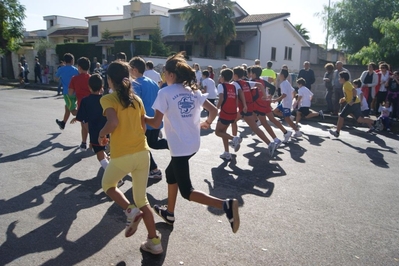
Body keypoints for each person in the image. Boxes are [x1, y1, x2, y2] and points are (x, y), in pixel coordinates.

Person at [145, 52, 240, 234]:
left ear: (171, 74)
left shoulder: (164, 92)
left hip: (179, 147)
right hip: (192, 144)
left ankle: (225, 205)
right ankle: (169, 213)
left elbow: (155, 123)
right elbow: (213, 110)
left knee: (187, 192)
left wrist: (141, 118)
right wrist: (207, 123)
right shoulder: (193, 91)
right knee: (170, 174)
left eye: (164, 72)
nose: (164, 75)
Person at [99, 61, 163, 254]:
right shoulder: (136, 99)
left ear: (109, 80)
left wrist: (101, 135)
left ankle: (130, 210)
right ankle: (155, 242)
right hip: (142, 153)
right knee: (142, 200)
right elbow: (143, 127)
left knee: (108, 185)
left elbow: (113, 121)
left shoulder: (108, 99)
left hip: (122, 154)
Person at [129, 56, 168, 179]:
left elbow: (136, 105)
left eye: (130, 69)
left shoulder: (135, 84)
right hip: (155, 120)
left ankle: (154, 169)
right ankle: (172, 144)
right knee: (152, 143)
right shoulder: (152, 82)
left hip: (144, 121)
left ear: (134, 69)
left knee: (141, 146)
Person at [232, 66, 277, 156]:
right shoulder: (246, 83)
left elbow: (237, 96)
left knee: (250, 126)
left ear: (235, 75)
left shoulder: (234, 84)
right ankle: (270, 143)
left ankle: (235, 140)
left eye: (233, 74)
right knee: (239, 122)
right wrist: (264, 95)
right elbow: (260, 85)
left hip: (244, 108)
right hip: (249, 107)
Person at [71, 74, 109, 168]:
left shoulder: (85, 100)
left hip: (95, 131)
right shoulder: (106, 100)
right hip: (106, 130)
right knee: (102, 150)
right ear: (102, 87)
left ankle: (114, 177)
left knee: (100, 155)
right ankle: (111, 168)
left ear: (89, 87)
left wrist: (76, 118)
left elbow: (82, 117)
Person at [251, 65, 292, 145]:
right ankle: (286, 132)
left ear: (253, 74)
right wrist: (270, 96)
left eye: (251, 73)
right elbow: (272, 87)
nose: (250, 74)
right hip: (265, 102)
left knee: (264, 122)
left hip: (260, 104)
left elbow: (254, 95)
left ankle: (275, 139)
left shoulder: (253, 82)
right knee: (272, 119)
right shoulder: (262, 80)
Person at [329, 71, 375, 138]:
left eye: (340, 78)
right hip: (356, 103)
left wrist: (352, 100)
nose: (339, 79)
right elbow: (349, 94)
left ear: (343, 78)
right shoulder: (346, 84)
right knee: (360, 119)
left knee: (341, 116)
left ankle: (337, 132)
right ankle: (376, 123)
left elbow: (354, 91)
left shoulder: (347, 84)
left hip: (352, 104)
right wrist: (344, 99)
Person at [215, 68, 245, 160]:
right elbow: (235, 100)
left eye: (220, 76)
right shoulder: (233, 86)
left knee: (217, 132)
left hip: (225, 112)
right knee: (223, 132)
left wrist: (216, 109)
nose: (219, 77)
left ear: (223, 77)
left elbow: (221, 98)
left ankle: (234, 138)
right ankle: (227, 153)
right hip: (232, 112)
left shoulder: (221, 86)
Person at [67, 57, 91, 151]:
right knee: (86, 124)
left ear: (79, 67)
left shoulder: (75, 79)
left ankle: (94, 141)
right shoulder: (91, 78)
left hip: (81, 104)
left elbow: (70, 92)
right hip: (92, 104)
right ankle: (84, 143)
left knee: (84, 124)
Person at [272, 69, 302, 138]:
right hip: (284, 103)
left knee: (287, 119)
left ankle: (297, 131)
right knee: (275, 111)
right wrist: (292, 98)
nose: (279, 75)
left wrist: (276, 100)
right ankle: (290, 116)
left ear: (282, 75)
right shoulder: (287, 83)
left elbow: (284, 95)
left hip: (286, 103)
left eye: (280, 73)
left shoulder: (283, 84)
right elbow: (293, 91)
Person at [55, 53, 79, 130]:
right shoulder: (76, 70)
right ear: (72, 61)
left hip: (67, 93)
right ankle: (63, 123)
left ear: (65, 61)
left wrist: (61, 77)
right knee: (67, 107)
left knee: (72, 110)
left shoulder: (61, 69)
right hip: (75, 92)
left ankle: (86, 114)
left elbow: (56, 79)